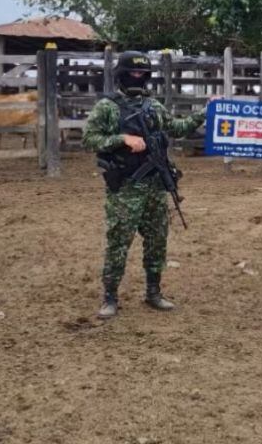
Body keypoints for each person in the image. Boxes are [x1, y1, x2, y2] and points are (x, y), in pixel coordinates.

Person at [83, 51, 210, 319]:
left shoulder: (153, 106)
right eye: (133, 72)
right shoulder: (107, 107)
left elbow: (177, 127)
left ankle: (154, 292)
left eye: (142, 73)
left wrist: (205, 113)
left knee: (157, 241)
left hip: (154, 186)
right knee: (119, 243)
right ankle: (110, 297)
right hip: (125, 188)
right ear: (122, 75)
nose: (137, 77)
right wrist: (122, 139)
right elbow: (89, 139)